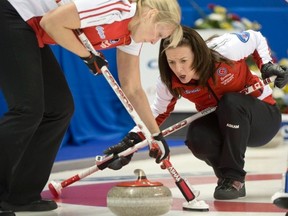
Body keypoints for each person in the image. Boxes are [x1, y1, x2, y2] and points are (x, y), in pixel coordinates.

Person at [0, 0, 182, 213]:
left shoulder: (133, 35)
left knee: (59, 110)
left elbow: (132, 88)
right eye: (158, 34)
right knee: (27, 110)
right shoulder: (118, 8)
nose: (154, 42)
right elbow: (51, 22)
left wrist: (155, 135)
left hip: (30, 27)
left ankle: (21, 195)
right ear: (151, 15)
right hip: (12, 13)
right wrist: (88, 56)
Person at [103, 25, 288, 200]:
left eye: (184, 61)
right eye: (171, 62)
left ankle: (234, 175)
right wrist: (130, 143)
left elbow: (255, 38)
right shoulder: (169, 80)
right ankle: (228, 181)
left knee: (230, 102)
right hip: (225, 126)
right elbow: (156, 113)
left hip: (261, 120)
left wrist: (266, 65)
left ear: (198, 55)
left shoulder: (226, 50)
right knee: (197, 136)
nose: (179, 69)